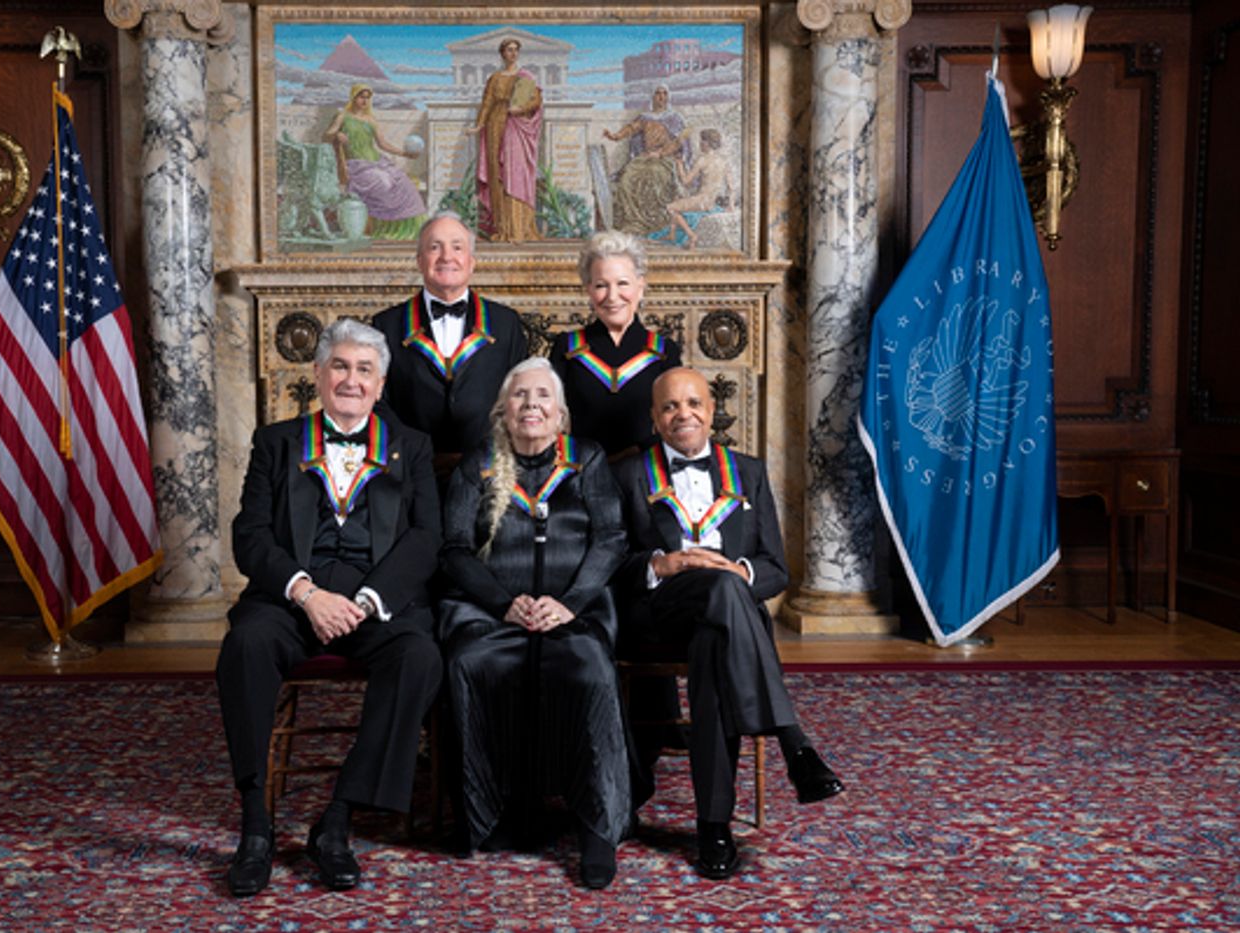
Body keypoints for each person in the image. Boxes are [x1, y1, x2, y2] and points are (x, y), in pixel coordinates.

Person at [216, 319, 443, 896]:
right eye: (339, 366)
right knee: (245, 645)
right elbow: (251, 535)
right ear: (317, 374)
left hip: (373, 605)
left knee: (420, 657)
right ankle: (256, 826)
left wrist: (367, 601)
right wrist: (306, 593)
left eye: (364, 370)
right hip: (294, 600)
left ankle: (338, 819)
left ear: (381, 383)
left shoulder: (411, 447)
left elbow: (425, 538)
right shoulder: (277, 442)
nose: (350, 379)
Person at [612, 367, 844, 880]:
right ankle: (794, 743)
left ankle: (713, 827)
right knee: (722, 597)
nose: (683, 414)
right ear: (654, 417)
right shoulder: (629, 475)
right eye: (670, 407)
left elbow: (775, 568)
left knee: (718, 632)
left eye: (693, 403)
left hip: (723, 624)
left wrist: (739, 573)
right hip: (659, 615)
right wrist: (661, 564)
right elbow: (611, 563)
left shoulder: (750, 472)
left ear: (712, 411)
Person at [438, 358, 630, 890]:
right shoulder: (477, 464)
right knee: (470, 663)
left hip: (575, 608)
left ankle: (596, 825)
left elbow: (612, 539)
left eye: (543, 397)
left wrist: (571, 602)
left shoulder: (587, 459)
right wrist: (503, 603)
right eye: (520, 396)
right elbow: (454, 548)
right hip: (488, 611)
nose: (531, 406)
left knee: (588, 667)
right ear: (503, 410)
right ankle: (491, 811)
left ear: (561, 414)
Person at [372, 212, 530, 459]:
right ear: (419, 261)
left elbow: (521, 395)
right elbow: (376, 400)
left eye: (457, 247)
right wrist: (410, 451)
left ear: (471, 261)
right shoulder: (386, 325)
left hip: (486, 470)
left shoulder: (505, 323)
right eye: (435, 247)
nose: (447, 257)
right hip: (411, 469)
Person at [547, 230, 681, 458]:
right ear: (588, 289)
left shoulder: (664, 351)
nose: (612, 296)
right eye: (601, 285)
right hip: (581, 475)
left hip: (645, 476)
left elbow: (675, 421)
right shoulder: (567, 347)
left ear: (640, 286)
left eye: (623, 283)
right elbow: (549, 420)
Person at [323, 84, 427, 240]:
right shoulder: (343, 116)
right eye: (361, 96)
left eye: (367, 97)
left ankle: (408, 230)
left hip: (377, 162)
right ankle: (384, 227)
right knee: (382, 183)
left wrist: (405, 153)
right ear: (353, 97)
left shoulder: (370, 120)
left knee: (404, 183)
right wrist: (336, 134)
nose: (364, 101)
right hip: (357, 166)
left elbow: (382, 144)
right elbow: (326, 136)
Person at [468, 38, 543, 243]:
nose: (513, 54)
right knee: (497, 176)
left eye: (515, 50)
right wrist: (479, 125)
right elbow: (486, 104)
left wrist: (521, 109)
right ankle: (503, 228)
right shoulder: (495, 78)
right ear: (502, 53)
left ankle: (519, 229)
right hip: (494, 125)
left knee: (515, 174)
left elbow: (536, 100)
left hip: (515, 126)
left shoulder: (525, 77)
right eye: (509, 50)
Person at [604, 85, 691, 235]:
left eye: (664, 93)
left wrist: (661, 153)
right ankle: (633, 221)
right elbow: (631, 128)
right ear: (653, 97)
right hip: (645, 157)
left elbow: (679, 142)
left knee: (655, 176)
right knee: (627, 178)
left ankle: (654, 222)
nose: (661, 97)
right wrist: (614, 136)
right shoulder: (645, 117)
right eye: (658, 93)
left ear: (668, 97)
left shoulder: (675, 118)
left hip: (665, 159)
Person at [655, 129, 734, 249]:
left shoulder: (702, 160)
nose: (700, 143)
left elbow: (686, 182)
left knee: (670, 208)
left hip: (701, 201)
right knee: (678, 198)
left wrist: (679, 165)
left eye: (702, 141)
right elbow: (731, 187)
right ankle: (671, 234)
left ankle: (691, 235)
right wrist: (731, 205)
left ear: (707, 143)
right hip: (711, 202)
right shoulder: (723, 161)